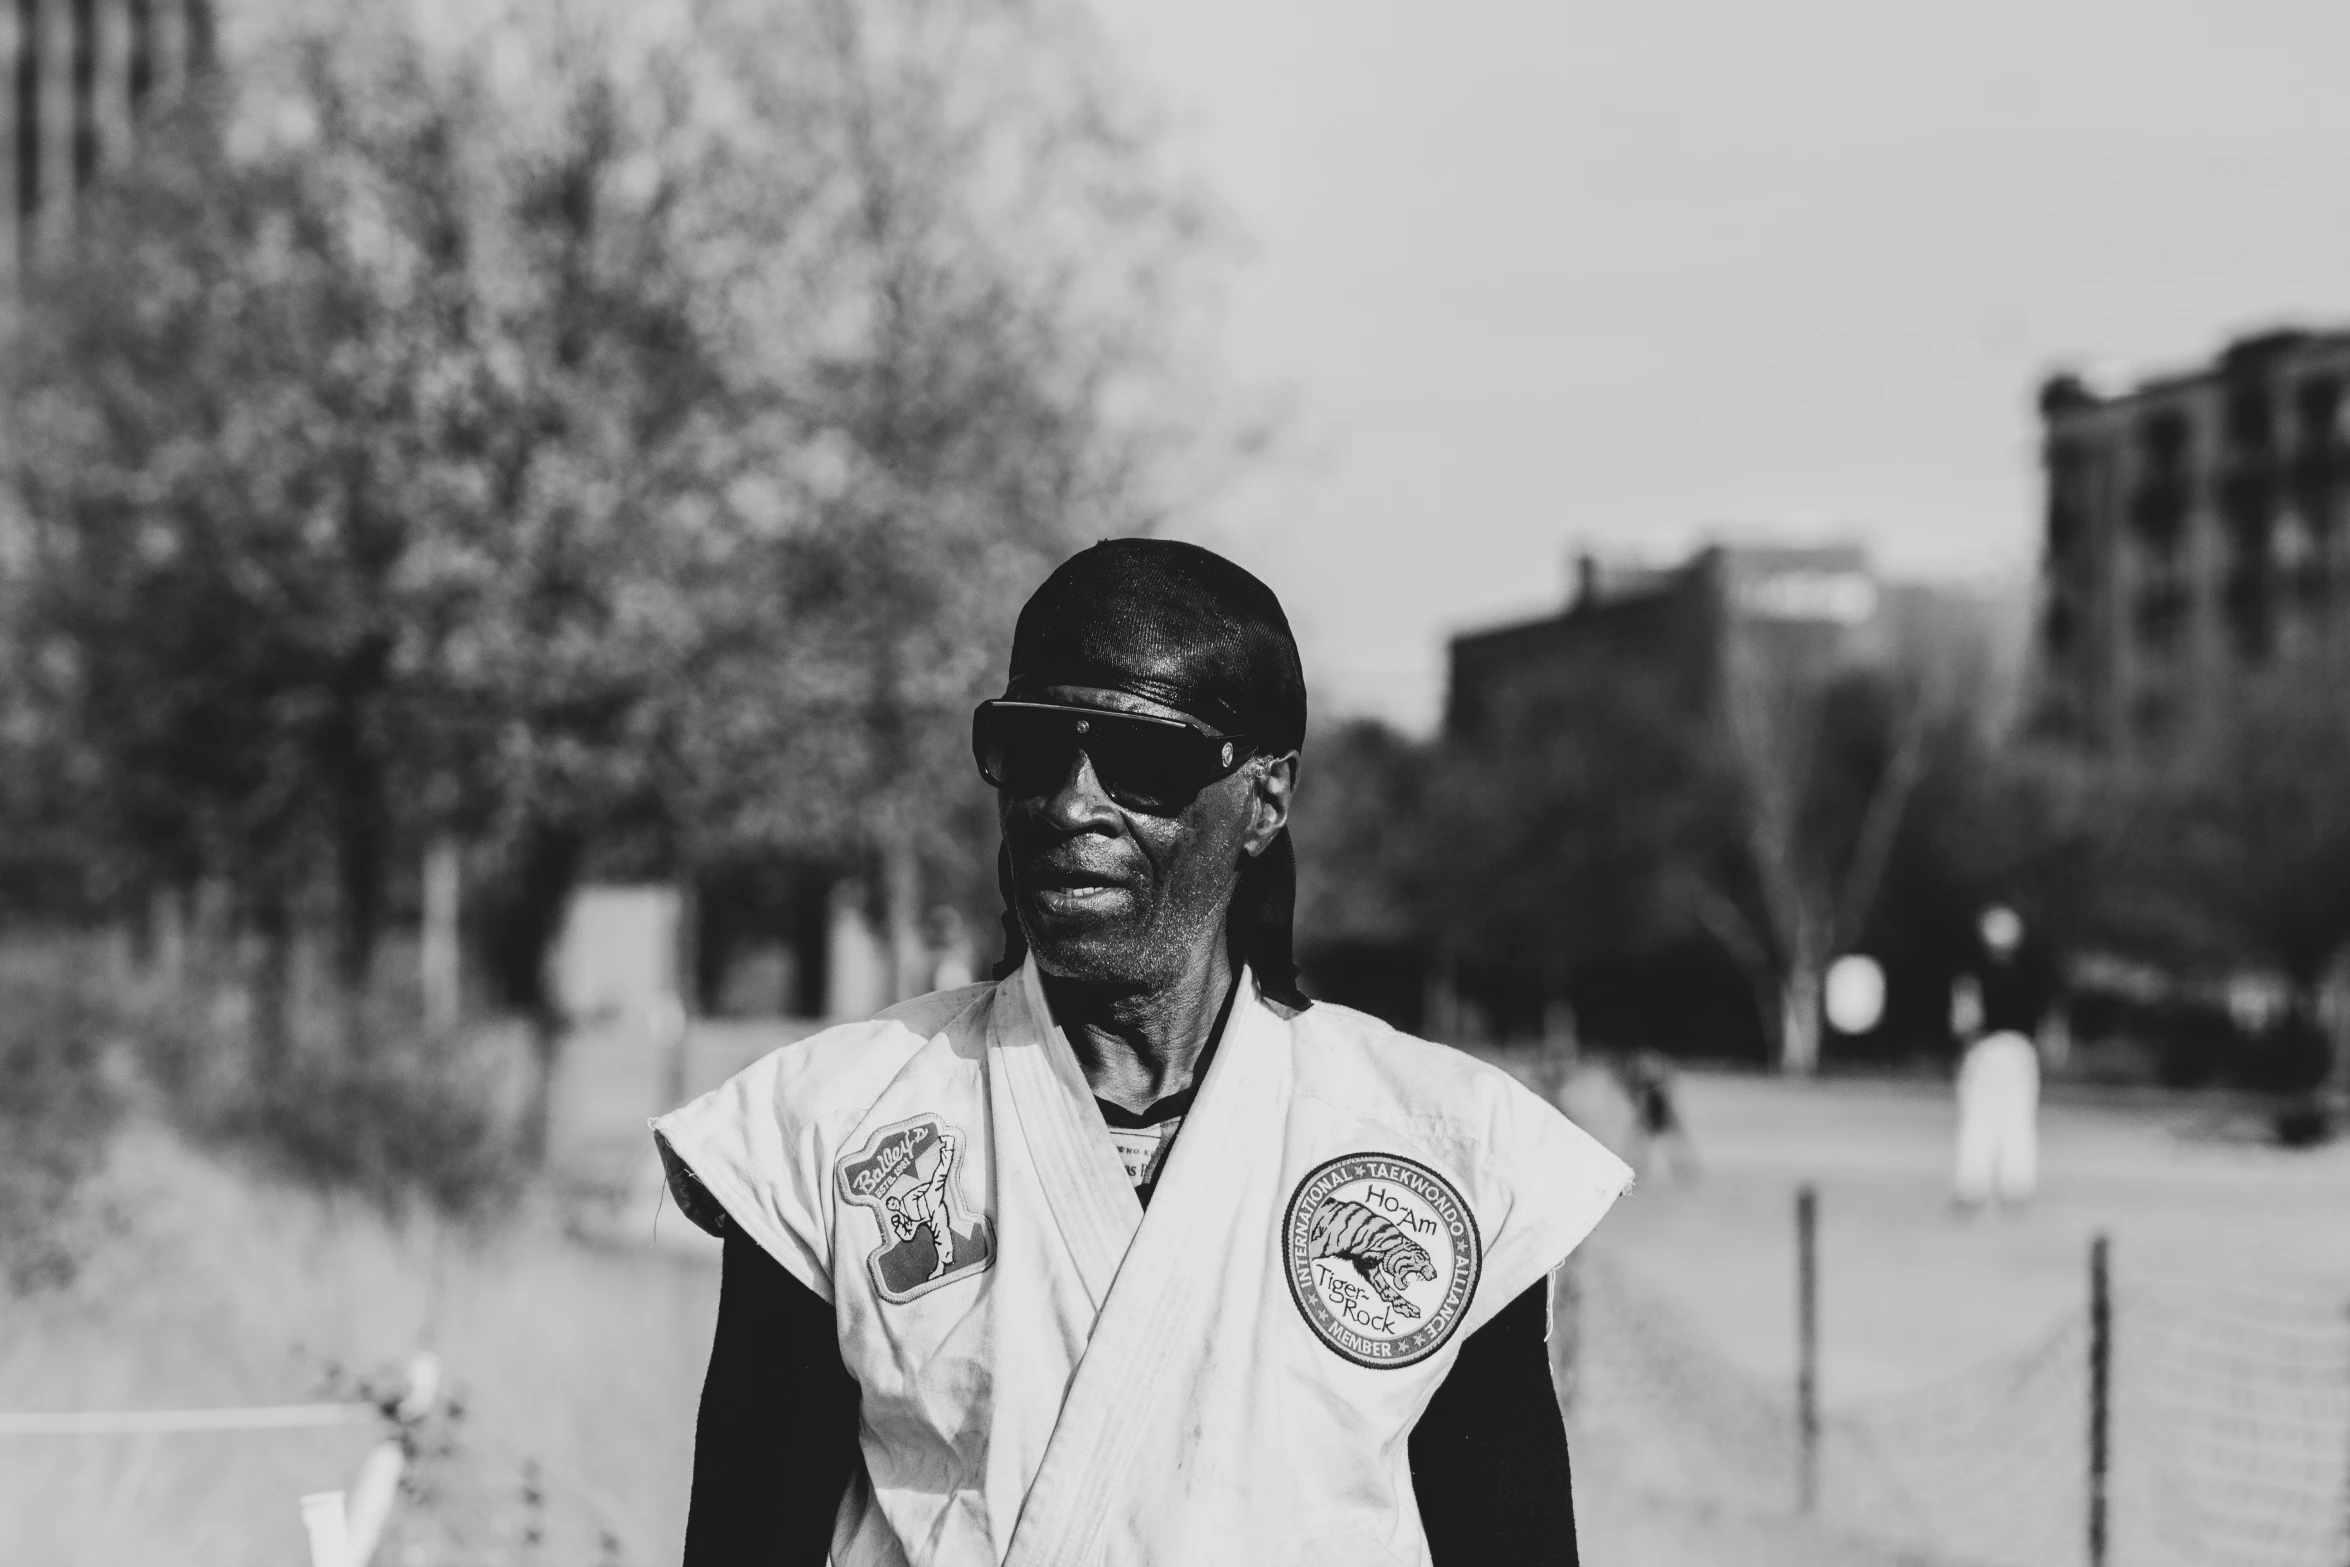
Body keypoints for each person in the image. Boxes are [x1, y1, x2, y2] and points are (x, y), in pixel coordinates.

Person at [653, 539, 1631, 1567]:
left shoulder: (1447, 1152)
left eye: (1143, 760)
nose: (1071, 803)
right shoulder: (824, 1130)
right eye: (1031, 749)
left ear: (1264, 796)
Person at [1950, 903, 2056, 1209]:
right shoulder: (2035, 974)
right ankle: (2017, 1187)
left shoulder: (1973, 975)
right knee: (2018, 1120)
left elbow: (1964, 1019)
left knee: (1978, 1120)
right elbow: (2049, 1018)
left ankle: (1972, 1186)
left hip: (1984, 1048)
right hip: (2021, 1050)